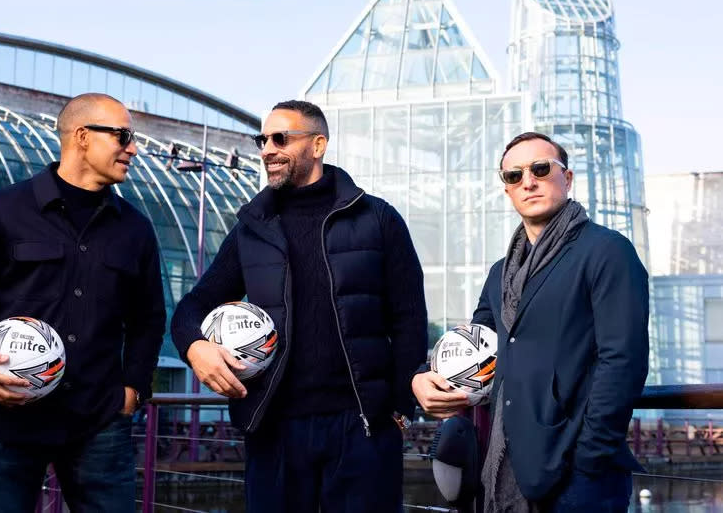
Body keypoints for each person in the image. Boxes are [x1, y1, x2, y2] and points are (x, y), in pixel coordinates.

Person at [171, 100, 428, 513]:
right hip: (274, 428)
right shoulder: (252, 229)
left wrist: (398, 411)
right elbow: (194, 305)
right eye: (262, 139)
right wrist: (194, 347)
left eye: (280, 138)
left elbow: (409, 318)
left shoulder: (378, 218)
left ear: (319, 144)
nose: (267, 149)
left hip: (361, 427)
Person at [0, 93, 166, 513]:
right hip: (6, 424)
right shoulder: (0, 211)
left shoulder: (136, 229)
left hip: (99, 423)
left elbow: (149, 319)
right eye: (123, 136)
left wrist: (133, 390)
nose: (133, 148)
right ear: (81, 136)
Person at [412, 132, 649, 512]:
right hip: (505, 464)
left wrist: (589, 457)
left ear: (567, 179)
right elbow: (474, 341)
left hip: (579, 474)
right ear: (507, 190)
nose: (528, 181)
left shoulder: (607, 252)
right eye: (513, 175)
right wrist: (425, 374)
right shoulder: (500, 273)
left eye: (541, 168)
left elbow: (624, 361)